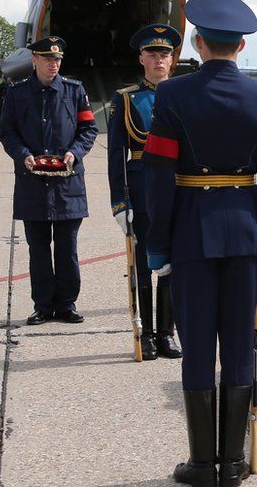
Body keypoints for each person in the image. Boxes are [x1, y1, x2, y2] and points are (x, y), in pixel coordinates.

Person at [141, 0, 257, 485]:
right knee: (241, 347)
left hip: (191, 234)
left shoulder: (172, 95)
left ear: (198, 44)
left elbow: (159, 176)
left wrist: (156, 243)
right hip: (248, 234)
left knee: (199, 346)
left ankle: (202, 464)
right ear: (240, 48)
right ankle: (234, 463)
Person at [0, 36, 97, 325]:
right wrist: (22, 154)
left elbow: (88, 129)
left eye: (57, 60)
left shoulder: (75, 90)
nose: (53, 64)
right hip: (32, 182)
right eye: (47, 59)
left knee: (67, 248)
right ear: (35, 61)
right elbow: (7, 132)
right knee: (38, 248)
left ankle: (66, 304)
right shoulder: (17, 94)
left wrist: (75, 153)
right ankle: (43, 305)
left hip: (68, 184)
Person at [106, 24, 184, 359]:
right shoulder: (125, 99)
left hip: (179, 189)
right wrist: (119, 202)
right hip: (141, 189)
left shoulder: (184, 96)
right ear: (141, 58)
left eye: (164, 54)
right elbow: (115, 157)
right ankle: (147, 332)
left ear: (172, 59)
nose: (158, 59)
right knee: (141, 264)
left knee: (172, 262)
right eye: (152, 53)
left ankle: (167, 333)